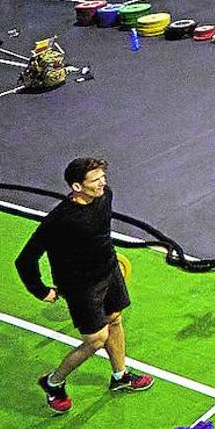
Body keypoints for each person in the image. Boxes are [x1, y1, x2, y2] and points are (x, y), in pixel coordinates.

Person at [16, 158, 153, 414]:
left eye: (103, 177)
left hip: (109, 271)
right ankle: (53, 382)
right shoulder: (60, 220)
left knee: (114, 319)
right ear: (77, 186)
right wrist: (41, 290)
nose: (102, 183)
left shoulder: (105, 195)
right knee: (96, 339)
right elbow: (25, 259)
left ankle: (119, 376)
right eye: (95, 180)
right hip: (81, 285)